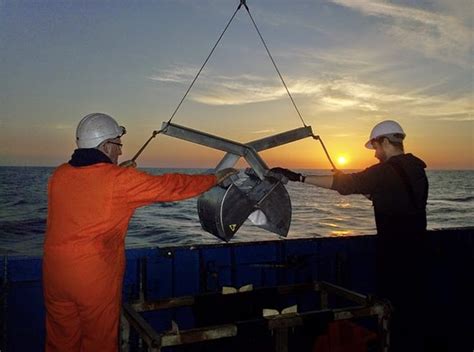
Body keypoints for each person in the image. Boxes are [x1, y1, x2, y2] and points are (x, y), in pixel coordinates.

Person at [42, 112, 237, 352]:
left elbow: (89, 189)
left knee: (60, 341)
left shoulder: (59, 175)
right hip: (91, 278)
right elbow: (170, 186)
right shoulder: (120, 181)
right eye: (118, 145)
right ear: (105, 146)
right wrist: (213, 179)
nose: (121, 152)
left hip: (55, 275)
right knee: (98, 342)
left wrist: (118, 172)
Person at [272, 120, 429, 352]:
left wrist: (297, 177)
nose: (375, 154)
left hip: (396, 257)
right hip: (418, 254)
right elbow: (392, 198)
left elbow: (345, 185)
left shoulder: (386, 170)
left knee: (393, 312)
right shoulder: (416, 169)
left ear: (385, 142)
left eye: (376, 147)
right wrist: (357, 186)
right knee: (411, 314)